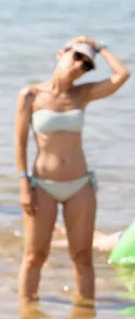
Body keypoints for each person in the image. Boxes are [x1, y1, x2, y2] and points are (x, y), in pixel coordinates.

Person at [16, 37, 130, 303]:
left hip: (80, 187)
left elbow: (123, 74)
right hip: (42, 185)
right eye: (77, 57)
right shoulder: (31, 94)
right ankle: (28, 318)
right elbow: (19, 143)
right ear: (61, 53)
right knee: (34, 257)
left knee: (82, 257)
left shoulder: (83, 93)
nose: (79, 66)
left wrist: (100, 47)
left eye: (86, 65)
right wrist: (24, 184)